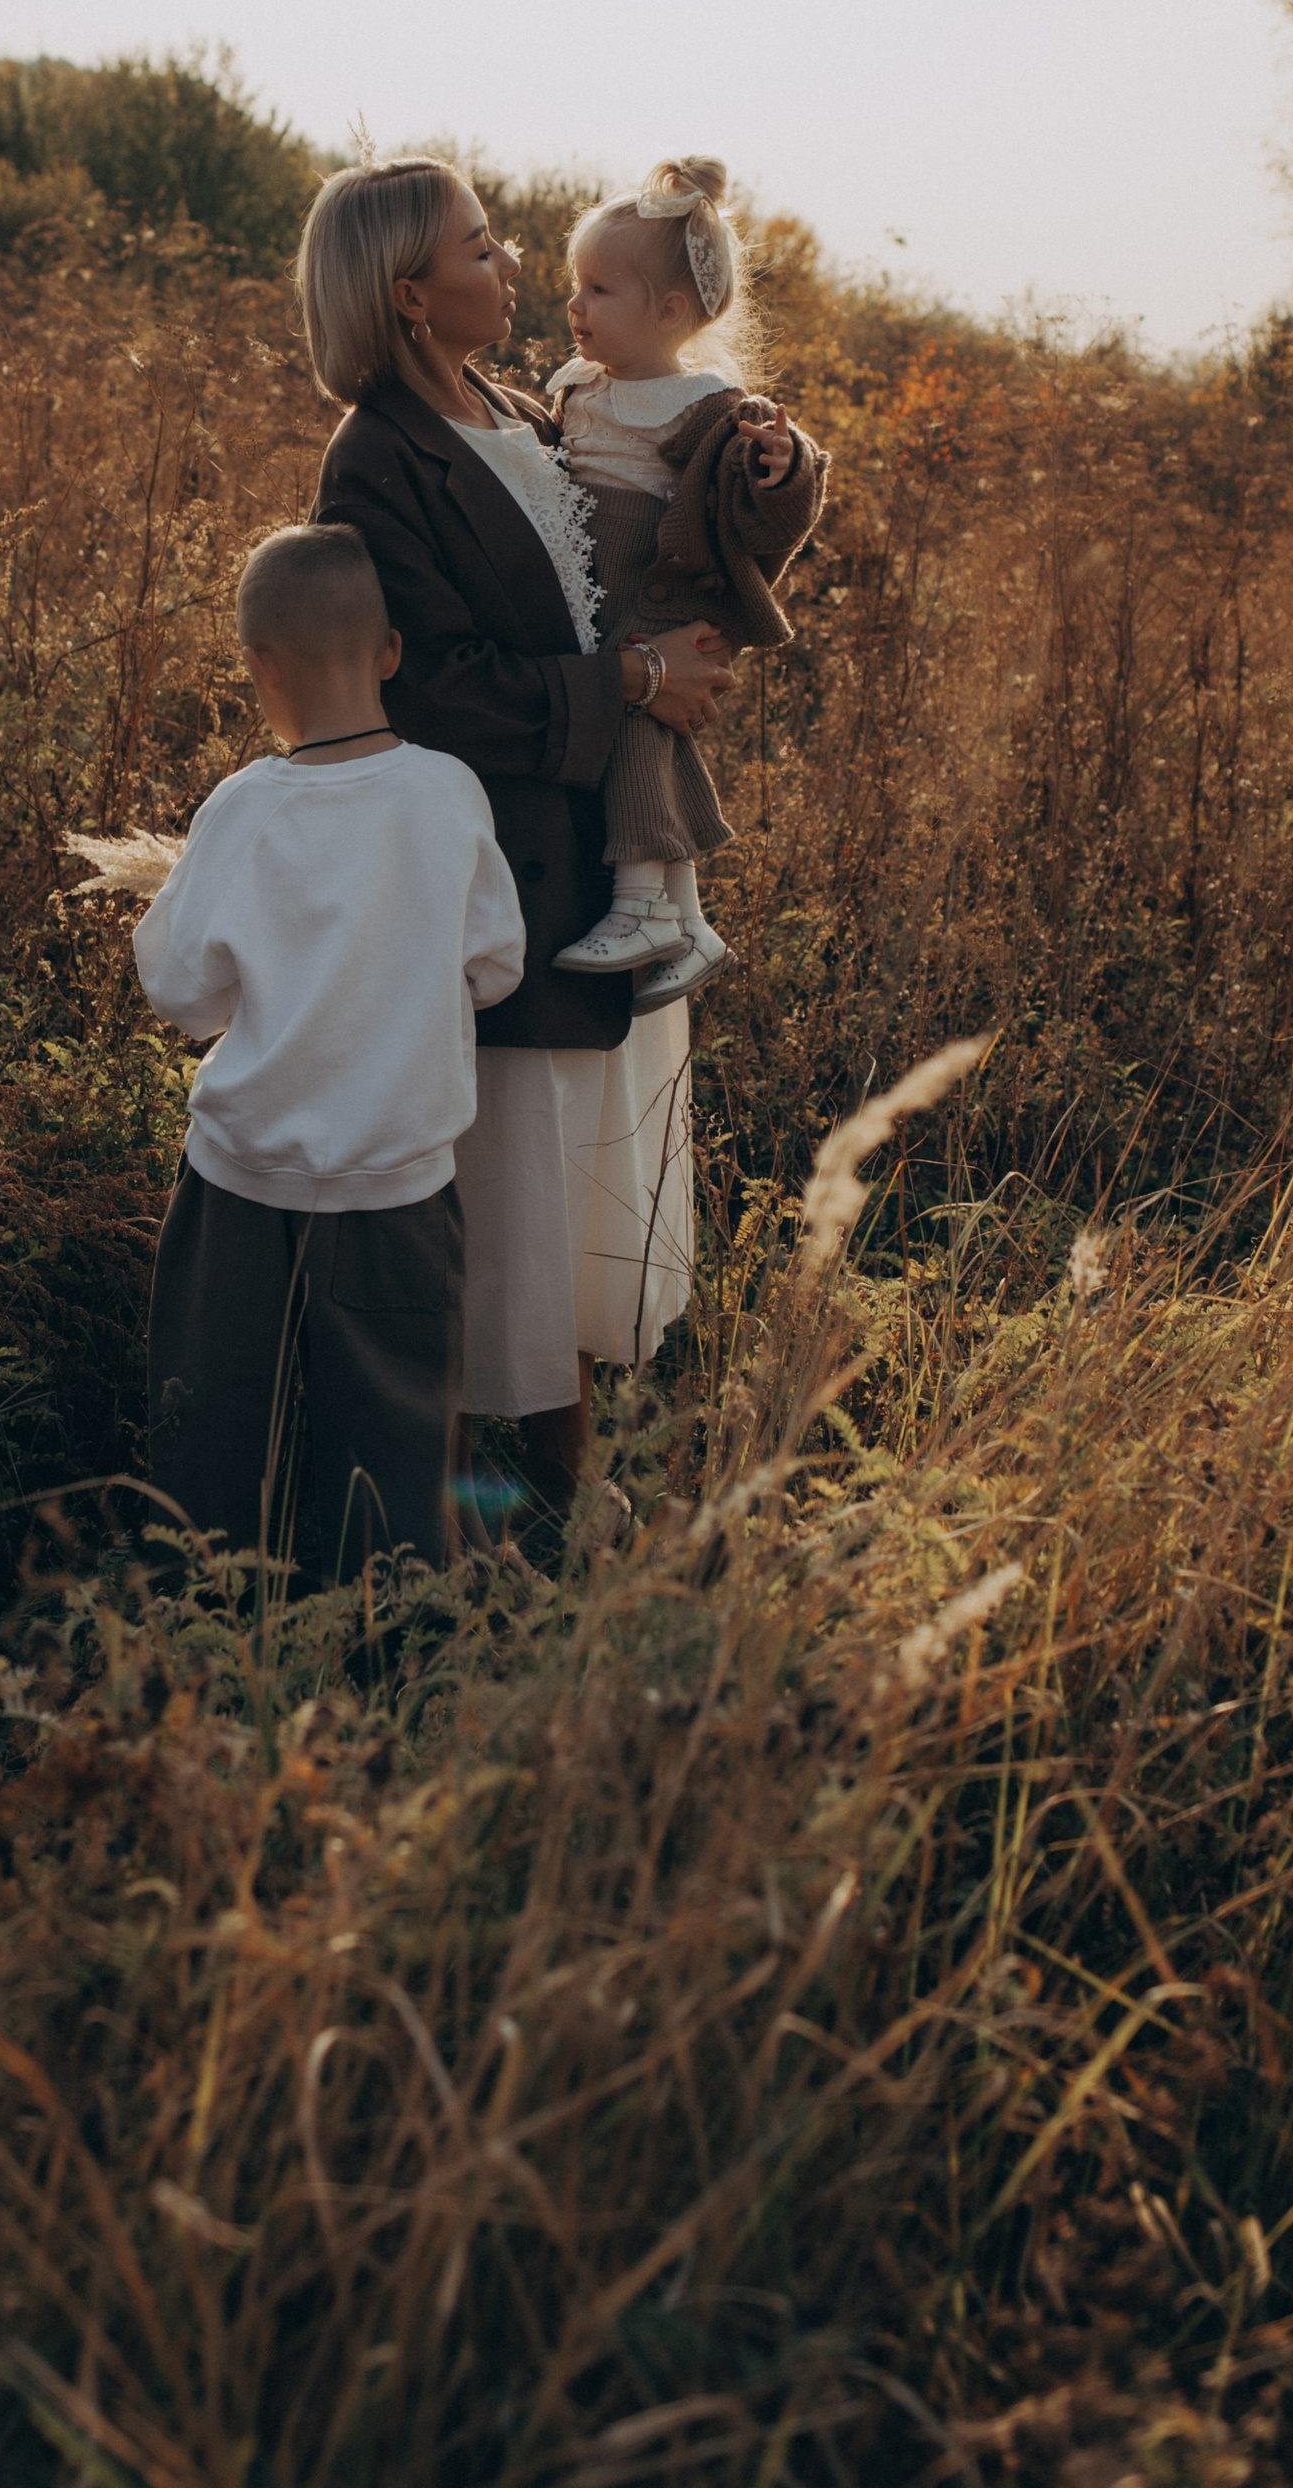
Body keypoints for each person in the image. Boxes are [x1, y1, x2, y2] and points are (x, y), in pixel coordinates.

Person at [302, 156, 739, 1510]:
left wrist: (759, 464)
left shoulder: (525, 409)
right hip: (493, 872)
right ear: (409, 293)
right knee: (506, 1192)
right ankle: (456, 1517)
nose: (509, 265)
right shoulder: (376, 460)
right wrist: (633, 683)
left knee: (579, 1183)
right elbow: (426, 687)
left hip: (592, 854)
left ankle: (562, 1493)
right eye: (480, 247)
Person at [131, 521, 524, 1577]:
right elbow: (496, 965)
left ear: (258, 663)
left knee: (211, 1422)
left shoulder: (242, 808)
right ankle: (390, 1618)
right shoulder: (449, 793)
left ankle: (205, 1607)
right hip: (398, 1186)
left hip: (241, 1181)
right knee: (397, 1427)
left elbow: (181, 994)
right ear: (390, 651)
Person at [545, 156, 826, 1003]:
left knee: (635, 712)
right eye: (576, 285)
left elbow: (769, 505)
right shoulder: (575, 385)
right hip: (588, 576)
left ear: (670, 311)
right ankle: (691, 920)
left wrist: (785, 467)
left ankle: (643, 904)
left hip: (652, 581)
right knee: (639, 715)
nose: (576, 305)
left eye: (600, 290)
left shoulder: (709, 404)